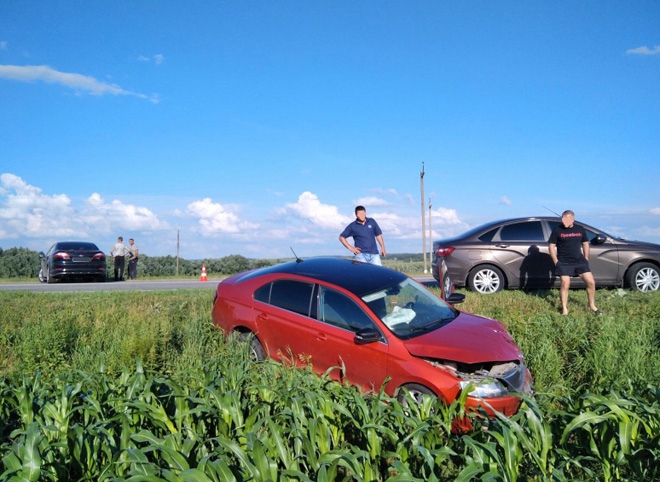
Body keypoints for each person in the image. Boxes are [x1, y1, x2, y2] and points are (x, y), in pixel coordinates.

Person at [548, 210, 600, 316]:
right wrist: (556, 261)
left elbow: (585, 243)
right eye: (563, 219)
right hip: (564, 262)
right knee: (565, 284)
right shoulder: (557, 230)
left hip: (579, 261)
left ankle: (591, 305)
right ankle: (564, 309)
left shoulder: (580, 229)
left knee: (591, 282)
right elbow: (551, 246)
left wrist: (586, 258)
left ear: (572, 219)